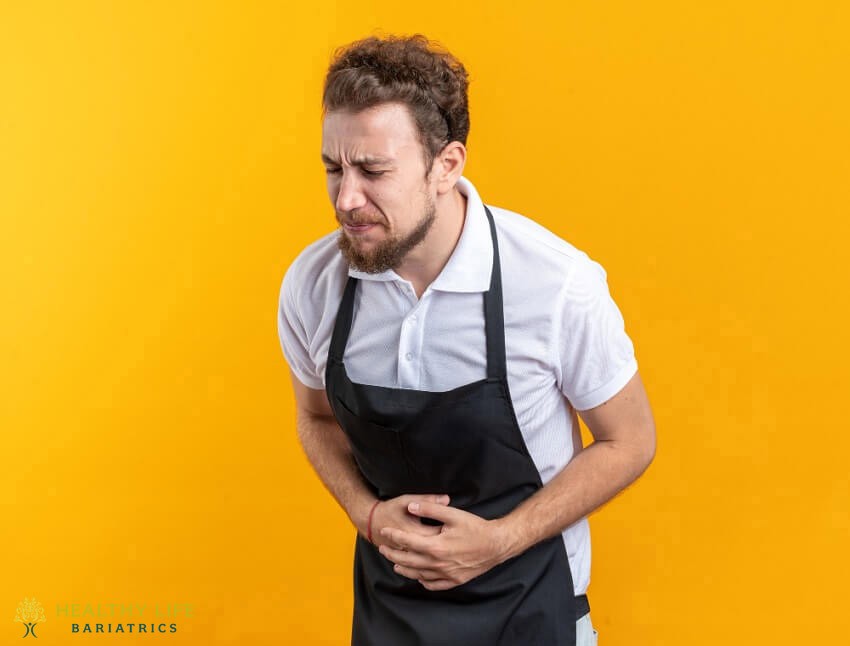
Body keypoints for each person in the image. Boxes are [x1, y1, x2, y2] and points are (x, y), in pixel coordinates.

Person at [277, 33, 656, 646]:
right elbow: (314, 419)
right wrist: (366, 514)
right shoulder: (313, 285)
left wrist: (500, 540)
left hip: (534, 619)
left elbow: (630, 440)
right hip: (387, 622)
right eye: (333, 168)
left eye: (373, 171)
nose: (347, 199)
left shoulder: (555, 283)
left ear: (446, 166)